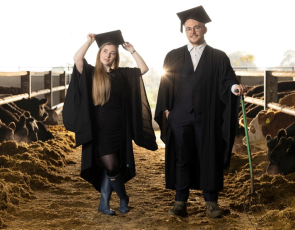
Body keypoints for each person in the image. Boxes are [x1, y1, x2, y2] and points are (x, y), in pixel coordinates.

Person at [154, 6, 246, 218]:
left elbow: (228, 80)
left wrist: (235, 88)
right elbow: (165, 83)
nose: (192, 32)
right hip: (180, 116)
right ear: (184, 31)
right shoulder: (173, 56)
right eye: (188, 29)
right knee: (182, 158)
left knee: (209, 158)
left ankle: (211, 203)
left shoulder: (218, 57)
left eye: (196, 28)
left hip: (207, 118)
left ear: (204, 29)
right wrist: (168, 110)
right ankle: (180, 203)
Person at [63, 30, 157, 215]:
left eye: (112, 52)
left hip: (120, 130)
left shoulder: (122, 74)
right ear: (100, 53)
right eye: (105, 51)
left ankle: (104, 204)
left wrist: (133, 50)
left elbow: (143, 69)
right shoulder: (90, 73)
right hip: (101, 131)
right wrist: (89, 42)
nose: (108, 55)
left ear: (116, 57)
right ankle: (123, 197)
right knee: (112, 166)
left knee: (111, 167)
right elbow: (77, 58)